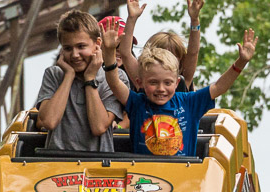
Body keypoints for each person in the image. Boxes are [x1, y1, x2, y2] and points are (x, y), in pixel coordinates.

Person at [100, 24, 257, 157]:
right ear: (140, 82)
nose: (161, 89)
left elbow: (219, 87)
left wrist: (241, 62)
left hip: (182, 175)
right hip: (143, 174)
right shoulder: (137, 102)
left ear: (177, 83)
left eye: (167, 83)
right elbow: (114, 82)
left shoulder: (188, 102)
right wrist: (108, 52)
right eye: (153, 83)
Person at [34, 10, 128, 152]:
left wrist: (89, 79)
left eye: (81, 46)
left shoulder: (115, 77)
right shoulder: (53, 74)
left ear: (97, 44)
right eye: (67, 48)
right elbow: (49, 121)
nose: (74, 55)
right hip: (56, 164)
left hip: (99, 165)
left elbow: (99, 127)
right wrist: (68, 76)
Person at [117, 0, 204, 93]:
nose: (165, 60)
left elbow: (193, 53)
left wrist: (195, 21)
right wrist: (132, 18)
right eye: (160, 55)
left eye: (172, 56)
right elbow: (125, 53)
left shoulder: (182, 82)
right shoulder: (143, 80)